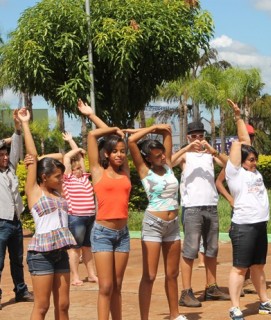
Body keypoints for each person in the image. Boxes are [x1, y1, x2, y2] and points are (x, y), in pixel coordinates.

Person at [225, 99, 271, 320]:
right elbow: (242, 140)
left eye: (256, 160)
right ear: (241, 161)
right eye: (251, 160)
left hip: (260, 225)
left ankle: (264, 301)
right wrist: (238, 118)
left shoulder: (254, 173)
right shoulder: (235, 173)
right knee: (240, 268)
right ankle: (235, 307)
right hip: (244, 226)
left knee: (258, 266)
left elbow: (247, 143)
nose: (255, 163)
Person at [19, 108, 77, 320]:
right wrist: (25, 123)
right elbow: (33, 157)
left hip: (60, 253)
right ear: (43, 177)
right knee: (42, 306)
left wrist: (49, 160)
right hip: (41, 255)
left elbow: (62, 156)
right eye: (57, 177)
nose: (62, 180)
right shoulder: (34, 192)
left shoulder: (58, 192)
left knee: (63, 305)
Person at [127, 124, 187, 320]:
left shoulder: (168, 165)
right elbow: (131, 142)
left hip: (173, 225)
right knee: (150, 275)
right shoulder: (144, 170)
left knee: (172, 274)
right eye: (157, 155)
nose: (162, 157)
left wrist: (160, 128)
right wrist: (152, 127)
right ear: (147, 158)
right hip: (153, 224)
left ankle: (174, 314)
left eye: (162, 153)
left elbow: (167, 131)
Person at [171, 121, 229, 308]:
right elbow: (169, 163)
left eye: (200, 136)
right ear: (188, 136)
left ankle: (211, 287)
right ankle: (186, 292)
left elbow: (229, 166)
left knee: (212, 249)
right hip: (192, 207)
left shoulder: (209, 155)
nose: (198, 139)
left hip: (211, 205)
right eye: (194, 136)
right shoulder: (185, 155)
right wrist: (187, 148)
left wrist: (212, 150)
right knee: (190, 251)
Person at [87, 121, 131, 320]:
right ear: (106, 153)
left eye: (122, 151)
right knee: (105, 286)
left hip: (123, 235)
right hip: (102, 234)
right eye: (114, 151)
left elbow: (119, 139)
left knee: (118, 286)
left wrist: (117, 134)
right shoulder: (97, 171)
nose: (119, 155)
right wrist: (113, 129)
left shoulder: (125, 172)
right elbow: (91, 136)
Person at [216, 123, 257, 295]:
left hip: (254, 213)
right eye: (248, 137)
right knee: (241, 249)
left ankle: (248, 280)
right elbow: (218, 182)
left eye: (252, 136)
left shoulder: (253, 160)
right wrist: (231, 199)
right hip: (240, 212)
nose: (250, 139)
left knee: (254, 248)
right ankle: (239, 283)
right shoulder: (234, 165)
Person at [0, 109, 34, 310]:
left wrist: (17, 127)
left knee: (17, 260)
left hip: (15, 221)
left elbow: (17, 145)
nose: (5, 158)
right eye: (1, 155)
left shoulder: (11, 169)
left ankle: (20, 291)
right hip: (0, 222)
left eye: (5, 155)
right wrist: (4, 141)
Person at [62, 132, 97, 286]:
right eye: (75, 168)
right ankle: (75, 276)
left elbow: (80, 158)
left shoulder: (85, 178)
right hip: (76, 217)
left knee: (87, 247)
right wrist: (73, 145)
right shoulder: (67, 179)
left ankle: (91, 275)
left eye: (79, 168)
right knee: (74, 249)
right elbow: (67, 159)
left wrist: (72, 142)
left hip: (90, 216)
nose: (78, 170)